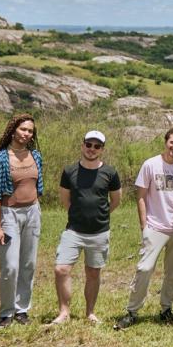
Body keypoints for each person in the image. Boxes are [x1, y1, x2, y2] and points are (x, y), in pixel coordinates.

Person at [114, 129, 173, 330]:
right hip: (155, 227)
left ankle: (166, 309)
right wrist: (144, 226)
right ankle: (132, 311)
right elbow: (140, 196)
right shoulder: (150, 164)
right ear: (165, 142)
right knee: (144, 269)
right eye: (172, 142)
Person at [53, 130, 122, 324]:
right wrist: (78, 214)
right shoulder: (69, 171)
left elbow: (116, 200)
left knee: (93, 273)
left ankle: (90, 312)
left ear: (102, 149)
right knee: (61, 269)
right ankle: (64, 312)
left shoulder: (110, 172)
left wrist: (101, 215)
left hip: (99, 232)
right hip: (73, 230)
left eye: (97, 146)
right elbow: (65, 199)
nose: (92, 149)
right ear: (82, 145)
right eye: (89, 144)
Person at [0, 113, 42, 327]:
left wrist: (36, 207)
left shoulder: (35, 155)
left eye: (30, 131)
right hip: (9, 214)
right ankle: (6, 311)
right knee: (10, 266)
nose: (26, 134)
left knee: (28, 263)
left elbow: (38, 185)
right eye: (23, 129)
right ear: (13, 131)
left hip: (32, 213)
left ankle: (22, 309)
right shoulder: (0, 158)